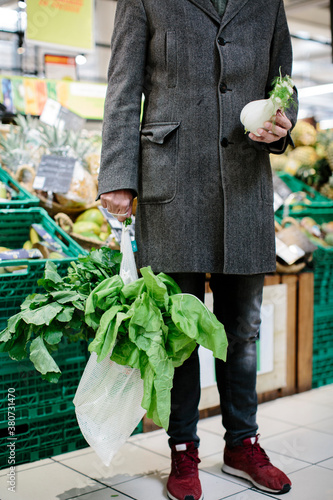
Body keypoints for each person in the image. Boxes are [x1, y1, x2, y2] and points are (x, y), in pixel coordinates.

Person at [98, 1, 298, 499]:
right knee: (179, 333)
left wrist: (282, 123)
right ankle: (182, 450)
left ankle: (242, 443)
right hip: (172, 182)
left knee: (244, 330)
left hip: (245, 185)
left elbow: (284, 83)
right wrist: (118, 176)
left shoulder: (266, 3)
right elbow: (123, 87)